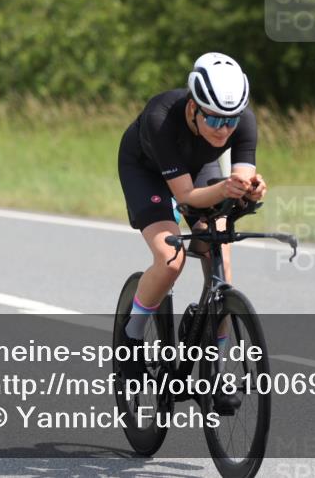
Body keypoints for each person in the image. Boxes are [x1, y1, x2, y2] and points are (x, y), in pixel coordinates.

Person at [116, 53, 266, 400]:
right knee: (171, 257)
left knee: (221, 261)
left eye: (230, 121)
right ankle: (132, 338)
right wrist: (225, 189)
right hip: (148, 171)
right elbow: (185, 195)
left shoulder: (242, 121)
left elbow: (241, 180)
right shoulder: (160, 118)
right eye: (213, 119)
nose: (223, 129)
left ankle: (214, 366)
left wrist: (252, 189)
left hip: (199, 170)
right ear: (193, 107)